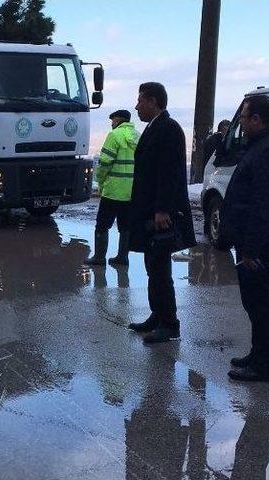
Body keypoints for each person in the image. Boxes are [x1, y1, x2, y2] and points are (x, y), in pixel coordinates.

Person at [219, 95, 269, 382]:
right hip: (254, 239)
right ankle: (258, 353)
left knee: (260, 303)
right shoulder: (265, 144)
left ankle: (264, 367)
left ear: (256, 120)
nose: (240, 121)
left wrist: (250, 250)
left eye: (244, 117)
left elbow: (263, 204)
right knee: (253, 301)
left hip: (259, 241)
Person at [127, 82, 196, 344]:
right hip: (149, 211)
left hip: (159, 214)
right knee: (152, 266)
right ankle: (158, 314)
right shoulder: (155, 127)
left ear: (153, 101)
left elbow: (169, 172)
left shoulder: (168, 129)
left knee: (160, 268)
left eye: (140, 101)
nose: (137, 106)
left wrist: (162, 209)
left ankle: (170, 323)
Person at [86, 110, 139, 266]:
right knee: (125, 226)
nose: (111, 124)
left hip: (113, 190)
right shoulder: (138, 136)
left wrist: (100, 181)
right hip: (131, 190)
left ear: (117, 120)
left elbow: (105, 162)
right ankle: (123, 257)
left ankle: (99, 257)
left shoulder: (114, 135)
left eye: (113, 120)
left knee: (102, 224)